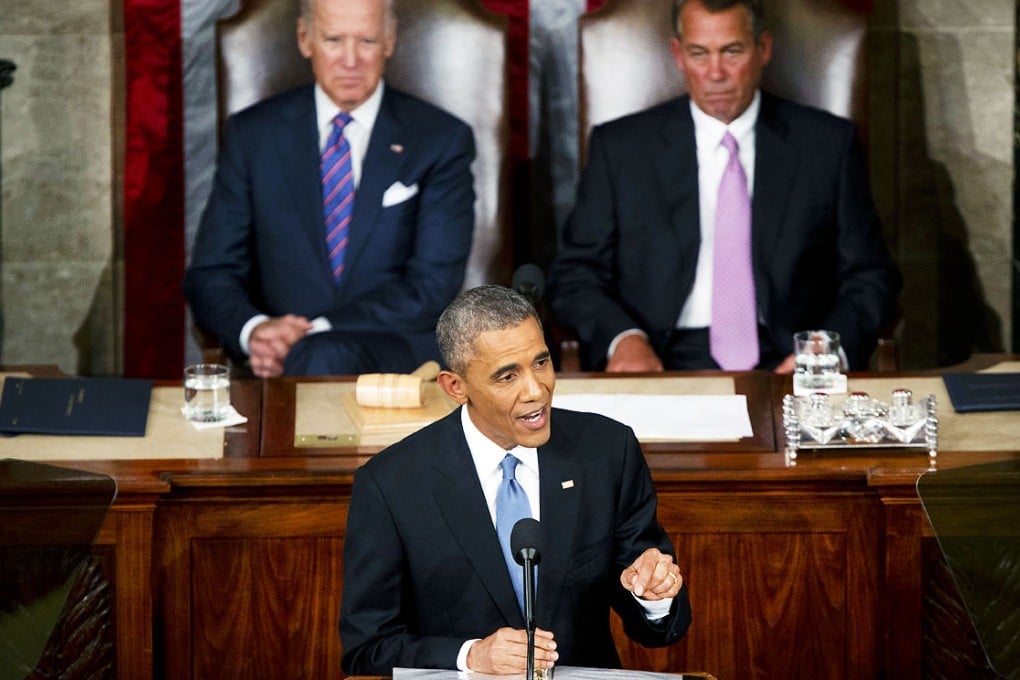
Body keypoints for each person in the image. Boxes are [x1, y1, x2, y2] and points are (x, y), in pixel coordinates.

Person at [339, 285, 691, 675]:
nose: (536, 391)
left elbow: (656, 625)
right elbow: (366, 650)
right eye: (507, 376)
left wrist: (654, 594)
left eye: (541, 363)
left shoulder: (608, 451)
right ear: (456, 387)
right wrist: (471, 656)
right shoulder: (391, 484)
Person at [548, 0, 901, 373]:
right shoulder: (621, 149)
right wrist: (623, 339)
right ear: (678, 55)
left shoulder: (827, 146)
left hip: (788, 359)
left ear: (762, 49)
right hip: (659, 357)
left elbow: (870, 275)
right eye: (699, 54)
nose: (716, 73)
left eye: (731, 51)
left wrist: (825, 349)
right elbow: (576, 274)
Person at [183, 0, 475, 377]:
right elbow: (211, 273)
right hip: (276, 365)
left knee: (323, 355)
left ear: (389, 40)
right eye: (334, 40)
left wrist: (308, 334)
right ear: (305, 40)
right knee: (315, 359)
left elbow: (432, 287)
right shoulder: (253, 136)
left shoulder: (441, 140)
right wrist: (256, 332)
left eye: (367, 40)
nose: (350, 60)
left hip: (395, 352)